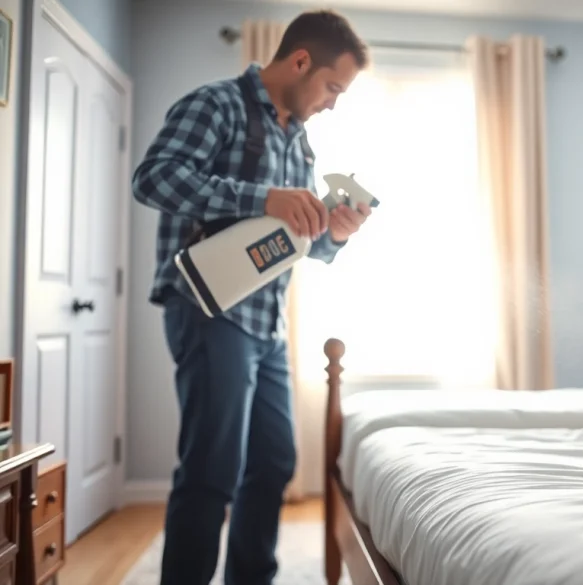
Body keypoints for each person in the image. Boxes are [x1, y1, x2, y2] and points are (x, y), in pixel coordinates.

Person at [131, 10, 371, 585]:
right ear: (301, 61)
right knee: (212, 470)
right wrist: (262, 197)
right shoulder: (216, 105)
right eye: (333, 88)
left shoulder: (300, 142)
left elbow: (297, 240)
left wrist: (334, 234)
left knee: (273, 462)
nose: (332, 104)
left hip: (266, 324)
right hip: (209, 310)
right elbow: (154, 178)